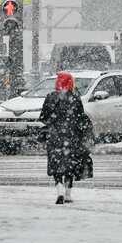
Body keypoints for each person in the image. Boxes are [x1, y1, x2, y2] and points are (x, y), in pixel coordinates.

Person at [39, 72, 92, 204]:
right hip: (71, 136)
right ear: (71, 83)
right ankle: (68, 194)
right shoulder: (75, 98)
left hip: (54, 136)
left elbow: (44, 117)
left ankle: (59, 190)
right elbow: (81, 119)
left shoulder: (50, 97)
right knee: (70, 165)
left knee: (56, 165)